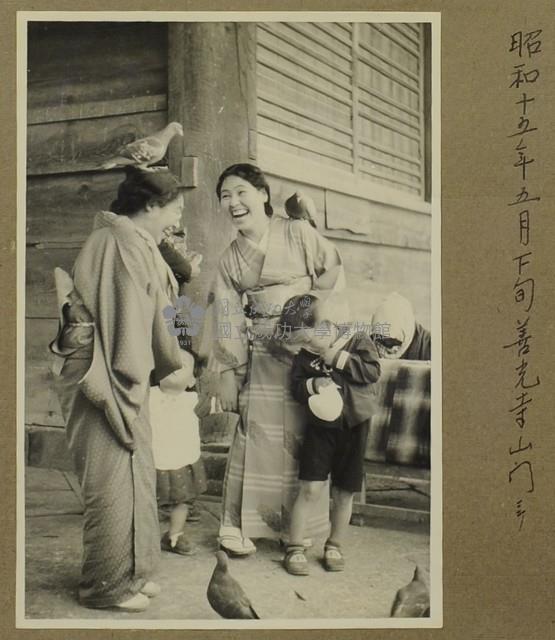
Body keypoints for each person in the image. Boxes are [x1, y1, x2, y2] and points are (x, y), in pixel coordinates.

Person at [50, 167, 186, 612]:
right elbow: (132, 318)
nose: (177, 221)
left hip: (115, 363)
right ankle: (106, 587)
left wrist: (170, 357)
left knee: (135, 474)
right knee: (112, 478)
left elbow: (154, 309)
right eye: (175, 210)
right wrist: (169, 365)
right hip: (101, 368)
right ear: (150, 206)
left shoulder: (130, 239)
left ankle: (133, 574)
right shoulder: (117, 241)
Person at [201, 163, 346, 556]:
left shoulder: (297, 232)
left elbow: (331, 268)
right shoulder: (231, 258)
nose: (233, 202)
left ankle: (295, 529)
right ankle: (235, 525)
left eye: (241, 192)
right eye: (225, 196)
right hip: (263, 350)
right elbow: (228, 316)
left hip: (306, 349)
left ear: (263, 194)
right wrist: (231, 369)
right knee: (254, 433)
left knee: (304, 435)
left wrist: (310, 306)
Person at [278, 294, 381, 576]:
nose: (306, 347)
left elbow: (373, 371)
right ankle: (295, 547)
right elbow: (296, 386)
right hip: (320, 428)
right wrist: (313, 384)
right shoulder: (305, 356)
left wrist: (339, 359)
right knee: (310, 487)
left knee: (344, 491)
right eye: (301, 343)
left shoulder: (356, 339)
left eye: (309, 340)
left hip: (355, 427)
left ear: (325, 324)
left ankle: (334, 545)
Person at [150, 342, 207, 556]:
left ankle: (174, 535)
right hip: (154, 460)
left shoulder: (194, 400)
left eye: (181, 365)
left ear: (192, 379)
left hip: (182, 459)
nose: (173, 368)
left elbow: (218, 404)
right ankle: (144, 537)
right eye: (168, 363)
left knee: (182, 501)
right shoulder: (148, 396)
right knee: (147, 501)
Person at [370, 292, 431, 360]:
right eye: (380, 339)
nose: (385, 348)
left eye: (391, 342)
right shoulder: (370, 345)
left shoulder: (431, 347)